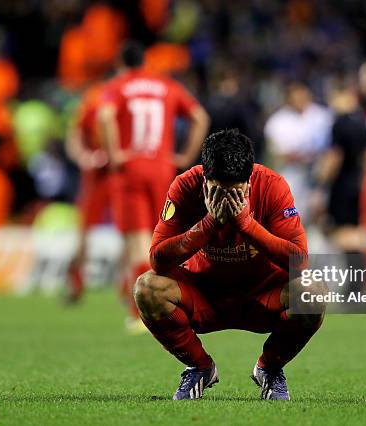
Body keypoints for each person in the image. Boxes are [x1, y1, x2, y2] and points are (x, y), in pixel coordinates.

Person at [134, 129, 325, 400]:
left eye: (235, 192)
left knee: (312, 292)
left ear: (249, 182)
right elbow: (157, 259)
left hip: (260, 295)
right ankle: (199, 367)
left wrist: (246, 224)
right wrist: (208, 225)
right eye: (216, 191)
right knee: (147, 288)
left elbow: (300, 260)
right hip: (204, 294)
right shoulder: (185, 186)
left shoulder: (272, 185)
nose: (225, 200)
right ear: (204, 180)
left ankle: (270, 369)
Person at [99, 41, 210, 333]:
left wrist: (114, 155)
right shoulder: (165, 85)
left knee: (136, 243)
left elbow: (106, 116)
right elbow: (200, 117)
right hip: (162, 170)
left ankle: (142, 314)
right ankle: (172, 302)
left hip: (130, 169)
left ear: (122, 63)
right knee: (160, 240)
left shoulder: (119, 85)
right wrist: (185, 156)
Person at [65, 81, 109, 303]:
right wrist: (84, 156)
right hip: (96, 176)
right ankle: (75, 281)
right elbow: (74, 135)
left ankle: (130, 285)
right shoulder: (93, 103)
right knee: (84, 232)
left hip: (121, 172)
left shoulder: (121, 102)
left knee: (133, 231)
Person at [264, 82, 333, 221]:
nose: (300, 99)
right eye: (296, 96)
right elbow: (280, 155)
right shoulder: (278, 121)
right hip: (293, 173)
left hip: (321, 171)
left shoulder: (322, 116)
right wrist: (306, 157)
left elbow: (331, 148)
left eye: (303, 95)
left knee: (319, 213)